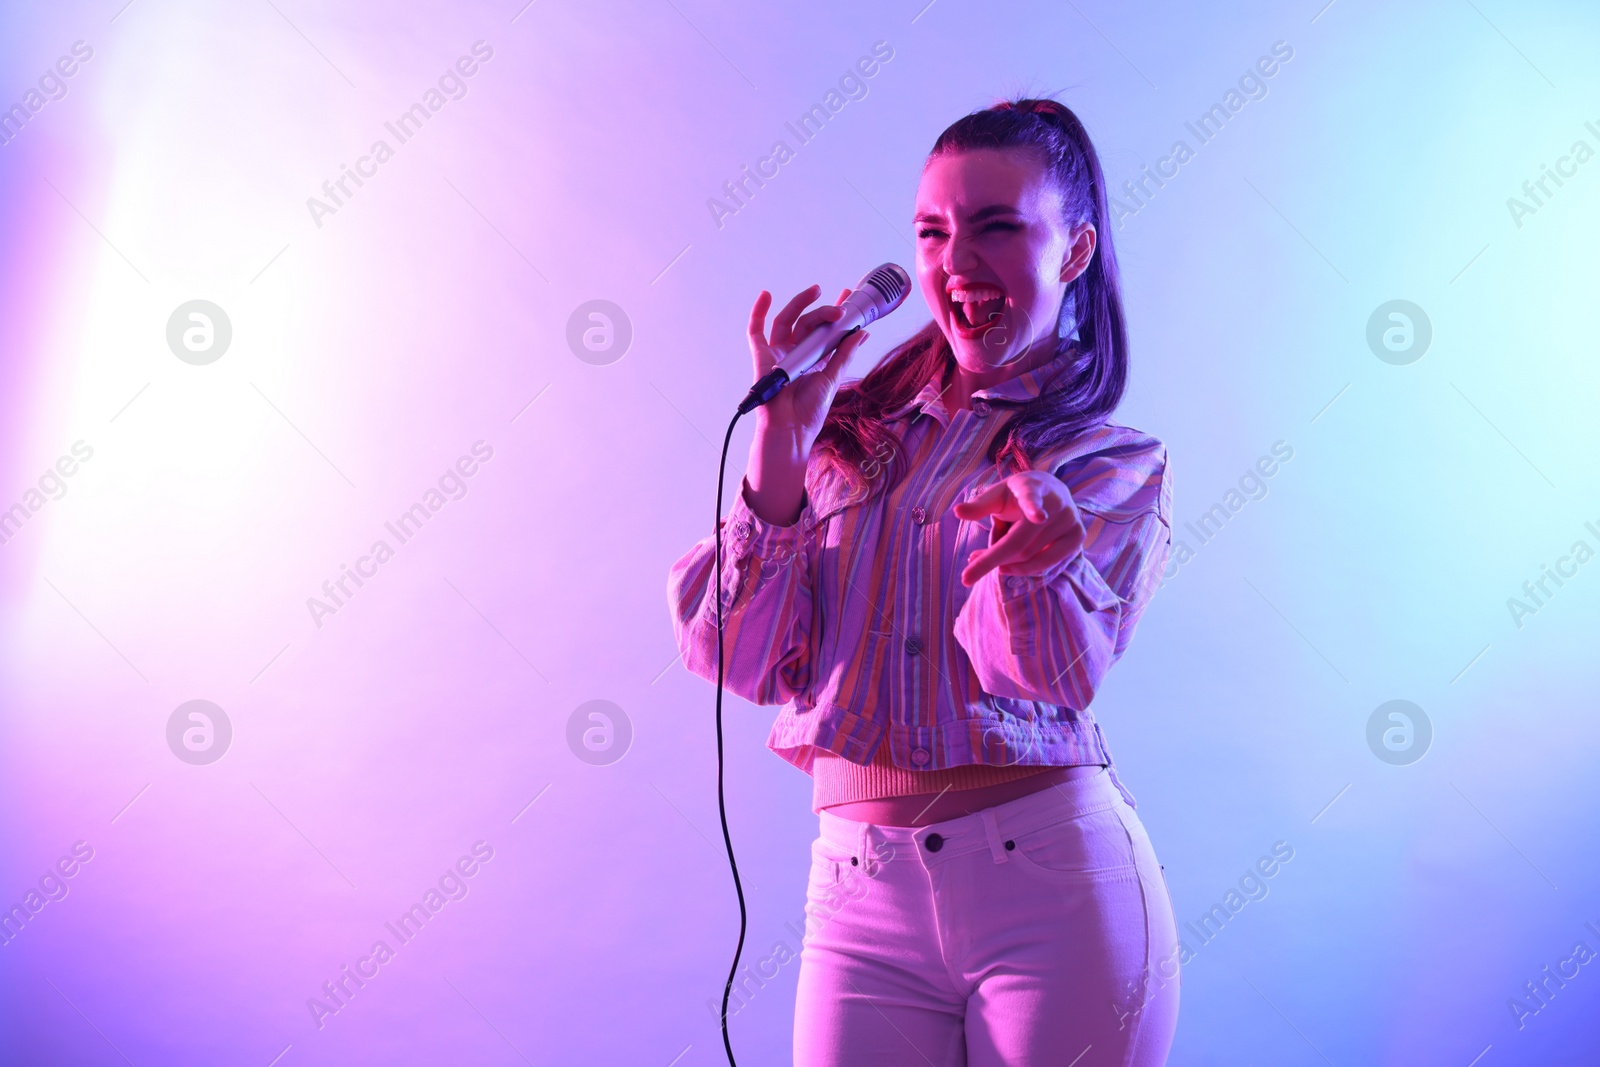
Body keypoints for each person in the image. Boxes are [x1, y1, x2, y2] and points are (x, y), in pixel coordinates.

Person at [666, 97, 1179, 1066]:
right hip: (858, 901)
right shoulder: (844, 441)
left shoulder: (1102, 459)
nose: (956, 262)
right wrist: (781, 443)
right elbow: (738, 658)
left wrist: (1040, 561)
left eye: (997, 226)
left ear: (1072, 251)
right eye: (933, 232)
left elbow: (1048, 677)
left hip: (1053, 891)